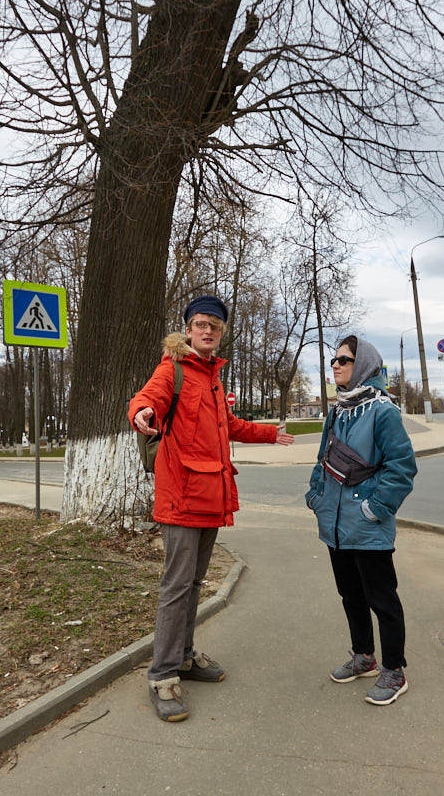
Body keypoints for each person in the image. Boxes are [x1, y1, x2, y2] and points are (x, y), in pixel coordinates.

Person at [129, 295, 295, 722]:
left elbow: (231, 426)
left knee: (196, 583)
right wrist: (143, 411)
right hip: (182, 496)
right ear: (188, 329)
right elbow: (150, 397)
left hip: (211, 496)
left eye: (215, 327)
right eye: (200, 324)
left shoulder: (214, 379)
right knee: (176, 586)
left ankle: (184, 656)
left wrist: (268, 435)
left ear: (221, 333)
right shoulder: (174, 370)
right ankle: (162, 676)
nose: (207, 331)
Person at [305, 335, 417, 706]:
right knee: (350, 595)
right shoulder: (338, 410)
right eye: (334, 360)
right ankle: (364, 657)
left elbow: (401, 469)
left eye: (345, 360)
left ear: (365, 365)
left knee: (382, 600)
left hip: (368, 527)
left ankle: (394, 671)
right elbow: (323, 459)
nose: (335, 365)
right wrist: (316, 497)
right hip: (336, 527)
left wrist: (374, 509)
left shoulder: (384, 411)